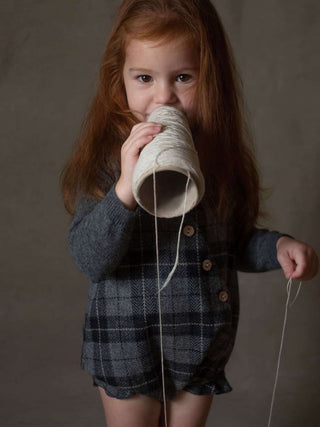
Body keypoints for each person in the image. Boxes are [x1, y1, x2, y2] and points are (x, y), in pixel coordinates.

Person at [60, 1, 318, 426]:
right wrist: (125, 188)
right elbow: (90, 258)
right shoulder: (109, 162)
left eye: (183, 77)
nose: (163, 97)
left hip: (200, 340)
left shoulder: (216, 159)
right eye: (144, 78)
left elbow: (232, 241)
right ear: (117, 81)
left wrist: (279, 247)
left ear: (210, 78)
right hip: (128, 344)